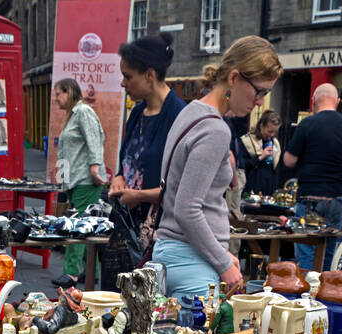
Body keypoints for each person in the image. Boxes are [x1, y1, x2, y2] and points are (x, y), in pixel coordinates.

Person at [152, 35, 281, 300]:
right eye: (260, 91)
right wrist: (222, 263)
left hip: (175, 253)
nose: (259, 101)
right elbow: (187, 209)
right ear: (234, 78)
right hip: (191, 262)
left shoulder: (191, 112)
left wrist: (221, 255)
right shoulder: (215, 128)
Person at [109, 32, 186, 231]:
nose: (122, 83)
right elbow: (130, 162)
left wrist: (139, 196)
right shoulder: (136, 113)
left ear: (149, 75)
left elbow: (182, 188)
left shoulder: (180, 116)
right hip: (129, 225)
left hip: (160, 230)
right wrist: (118, 177)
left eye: (127, 76)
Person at [282, 84, 342, 271]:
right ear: (338, 102)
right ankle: (324, 292)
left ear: (313, 101)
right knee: (329, 253)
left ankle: (306, 294)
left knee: (307, 253)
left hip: (309, 197)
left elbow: (289, 160)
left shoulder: (307, 124)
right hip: (335, 198)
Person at [54, 77, 107, 284]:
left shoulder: (83, 112)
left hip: (85, 179)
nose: (56, 99)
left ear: (69, 92)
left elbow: (95, 139)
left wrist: (95, 167)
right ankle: (91, 271)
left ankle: (71, 273)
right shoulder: (72, 115)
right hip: (76, 180)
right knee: (85, 225)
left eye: (58, 94)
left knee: (76, 226)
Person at [241, 109, 283, 195]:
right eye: (270, 131)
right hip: (251, 187)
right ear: (261, 126)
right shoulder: (247, 141)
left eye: (275, 132)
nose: (272, 135)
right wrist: (260, 157)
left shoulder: (275, 144)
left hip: (268, 188)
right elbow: (242, 166)